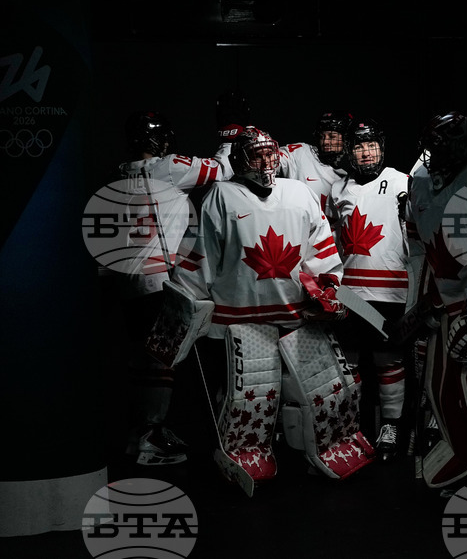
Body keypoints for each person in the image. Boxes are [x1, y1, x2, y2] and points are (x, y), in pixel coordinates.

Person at [165, 126, 374, 486]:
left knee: (329, 394)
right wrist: (186, 305)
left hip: (298, 317)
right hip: (241, 322)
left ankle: (325, 448)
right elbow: (202, 258)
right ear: (238, 161)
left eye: (269, 153)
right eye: (255, 155)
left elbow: (321, 247)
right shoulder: (221, 196)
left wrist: (327, 286)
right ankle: (243, 453)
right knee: (249, 401)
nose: (265, 162)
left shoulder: (299, 193)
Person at [116, 110, 231, 466]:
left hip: (130, 283)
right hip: (161, 283)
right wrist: (229, 135)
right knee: (163, 361)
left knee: (144, 362)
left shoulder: (120, 174)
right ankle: (151, 436)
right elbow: (221, 169)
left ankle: (139, 436)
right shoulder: (168, 167)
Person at [327, 117, 411, 461]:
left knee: (387, 359)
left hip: (391, 290)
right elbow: (333, 241)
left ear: (382, 147)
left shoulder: (402, 181)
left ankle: (391, 425)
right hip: (350, 292)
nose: (365, 152)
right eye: (359, 146)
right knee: (348, 361)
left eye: (371, 145)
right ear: (349, 151)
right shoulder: (338, 189)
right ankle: (351, 427)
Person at [404, 110, 467, 489]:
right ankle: (464, 454)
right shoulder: (421, 180)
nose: (431, 155)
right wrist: (423, 301)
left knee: (465, 386)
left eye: (439, 146)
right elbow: (420, 250)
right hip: (445, 299)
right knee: (437, 387)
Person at [277, 110, 353, 214]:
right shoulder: (300, 153)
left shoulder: (352, 175)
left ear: (346, 139)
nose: (325, 141)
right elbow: (272, 160)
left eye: (332, 137)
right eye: (322, 136)